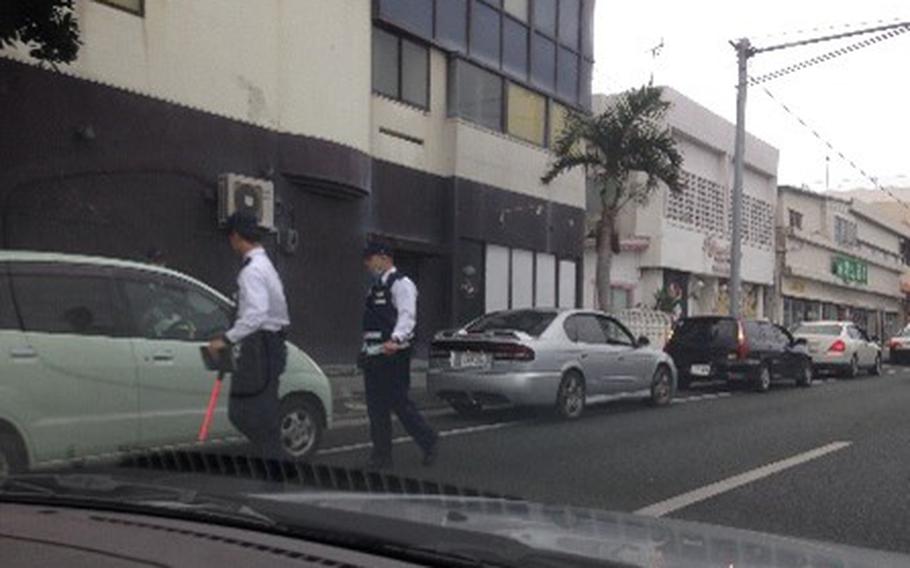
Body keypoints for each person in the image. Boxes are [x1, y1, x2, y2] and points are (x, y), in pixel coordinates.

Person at [208, 211, 290, 459]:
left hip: (260, 347)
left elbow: (255, 314)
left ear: (235, 237)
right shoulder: (263, 265)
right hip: (267, 346)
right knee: (258, 412)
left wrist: (227, 339)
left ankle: (274, 469)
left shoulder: (252, 271)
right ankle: (272, 461)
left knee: (246, 412)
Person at [361, 242, 438, 470]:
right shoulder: (374, 287)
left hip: (394, 354)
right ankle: (381, 456)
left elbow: (407, 316)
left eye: (370, 258)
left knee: (399, 403)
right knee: (375, 407)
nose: (367, 264)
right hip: (374, 353)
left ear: (384, 258)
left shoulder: (402, 284)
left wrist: (395, 340)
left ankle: (428, 440)